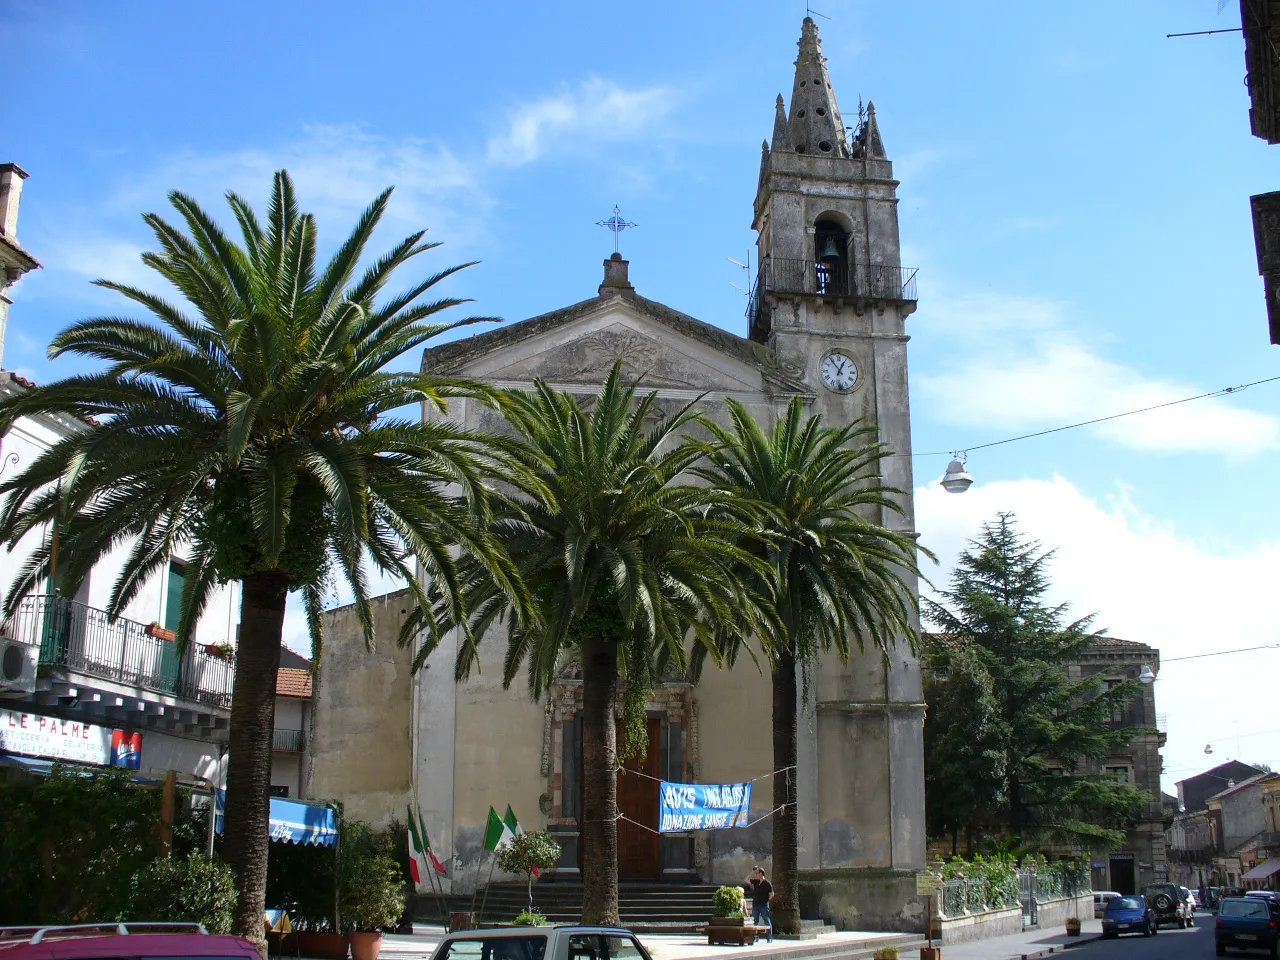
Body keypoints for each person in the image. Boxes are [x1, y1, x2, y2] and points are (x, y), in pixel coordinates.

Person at [744, 866, 773, 942]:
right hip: (756, 904)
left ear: (761, 873)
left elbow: (772, 894)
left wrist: (766, 900)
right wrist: (753, 872)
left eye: (757, 873)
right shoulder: (756, 882)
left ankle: (769, 938)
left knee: (766, 920)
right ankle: (755, 937)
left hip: (763, 905)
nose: (756, 874)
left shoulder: (767, 883)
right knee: (755, 921)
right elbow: (746, 880)